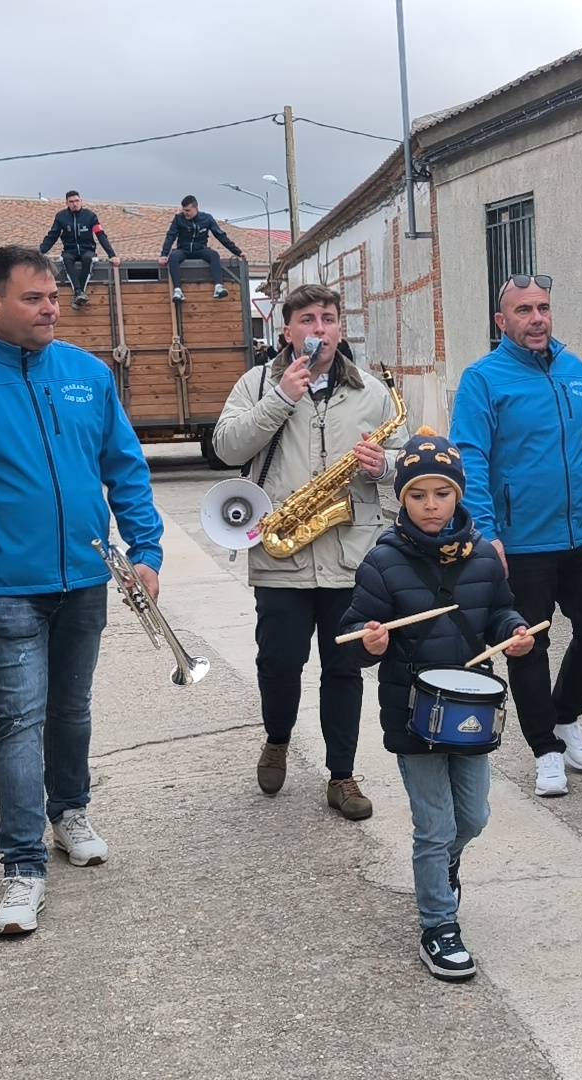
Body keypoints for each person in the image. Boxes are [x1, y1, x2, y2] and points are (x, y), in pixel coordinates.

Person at [0, 245, 166, 936]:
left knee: (71, 709)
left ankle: (69, 811)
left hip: (85, 576)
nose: (50, 308)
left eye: (53, 297)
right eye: (33, 298)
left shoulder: (86, 374)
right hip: (0, 588)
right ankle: (22, 865)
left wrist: (146, 549)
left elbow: (125, 467)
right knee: (19, 719)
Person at [340, 427, 533, 981]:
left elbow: (501, 611)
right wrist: (369, 641)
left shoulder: (484, 559)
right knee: (434, 826)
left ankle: (444, 866)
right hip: (413, 714)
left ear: (458, 495)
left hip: (471, 713)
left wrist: (516, 630)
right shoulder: (382, 563)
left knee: (471, 818)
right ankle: (438, 926)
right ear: (401, 498)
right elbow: (354, 637)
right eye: (418, 495)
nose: (431, 505)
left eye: (442, 493)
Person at [212, 283, 406, 821]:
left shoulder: (370, 390)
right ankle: (277, 738)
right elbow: (226, 447)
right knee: (279, 662)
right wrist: (282, 398)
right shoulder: (257, 384)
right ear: (286, 330)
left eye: (327, 319)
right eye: (306, 320)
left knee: (344, 668)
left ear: (339, 328)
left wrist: (384, 466)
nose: (317, 329)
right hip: (282, 553)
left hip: (353, 553)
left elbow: (404, 458)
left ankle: (341, 775)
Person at [451, 274, 582, 799]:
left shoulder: (574, 370)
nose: (537, 319)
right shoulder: (483, 379)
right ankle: (545, 748)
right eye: (523, 310)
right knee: (527, 646)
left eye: (543, 308)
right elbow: (471, 457)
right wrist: (486, 531)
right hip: (521, 540)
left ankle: (566, 716)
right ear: (502, 321)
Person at [40, 189, 122, 309]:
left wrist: (112, 255)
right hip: (70, 250)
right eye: (71, 201)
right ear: (67, 203)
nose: (75, 204)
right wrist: (40, 252)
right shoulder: (61, 217)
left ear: (81, 201)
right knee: (66, 259)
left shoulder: (90, 216)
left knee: (88, 258)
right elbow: (52, 236)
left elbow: (100, 235)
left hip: (87, 249)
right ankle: (79, 292)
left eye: (77, 201)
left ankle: (79, 293)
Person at [158, 195, 246, 303]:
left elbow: (221, 236)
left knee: (214, 255)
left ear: (196, 208)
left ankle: (219, 287)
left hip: (200, 249)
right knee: (173, 257)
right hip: (183, 250)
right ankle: (178, 290)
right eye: (183, 210)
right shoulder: (178, 219)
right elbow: (170, 236)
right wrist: (164, 254)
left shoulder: (207, 218)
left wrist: (238, 252)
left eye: (188, 210)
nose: (185, 213)